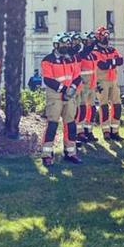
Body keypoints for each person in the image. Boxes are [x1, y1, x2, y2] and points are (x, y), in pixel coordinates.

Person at [40, 32, 82, 166]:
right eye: (63, 44)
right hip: (55, 97)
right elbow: (48, 79)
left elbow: (77, 77)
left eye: (68, 44)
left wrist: (72, 89)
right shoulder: (48, 60)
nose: (66, 46)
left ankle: (70, 152)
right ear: (56, 45)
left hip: (69, 96)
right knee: (52, 124)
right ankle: (47, 154)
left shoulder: (72, 59)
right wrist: (65, 89)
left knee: (71, 125)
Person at [93, 26, 124, 142]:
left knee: (117, 106)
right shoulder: (95, 51)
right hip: (101, 82)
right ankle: (105, 131)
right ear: (98, 37)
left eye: (107, 35)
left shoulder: (112, 49)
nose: (106, 37)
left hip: (113, 80)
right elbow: (101, 65)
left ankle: (115, 131)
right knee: (104, 106)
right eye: (103, 35)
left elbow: (120, 60)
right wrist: (113, 63)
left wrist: (110, 63)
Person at [75, 31, 99, 144]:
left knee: (92, 109)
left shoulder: (93, 56)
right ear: (84, 42)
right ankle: (79, 132)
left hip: (92, 87)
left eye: (92, 41)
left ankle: (88, 131)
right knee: (82, 110)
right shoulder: (80, 56)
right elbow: (77, 72)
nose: (92, 43)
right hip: (83, 87)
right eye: (89, 41)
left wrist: (97, 84)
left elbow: (94, 72)